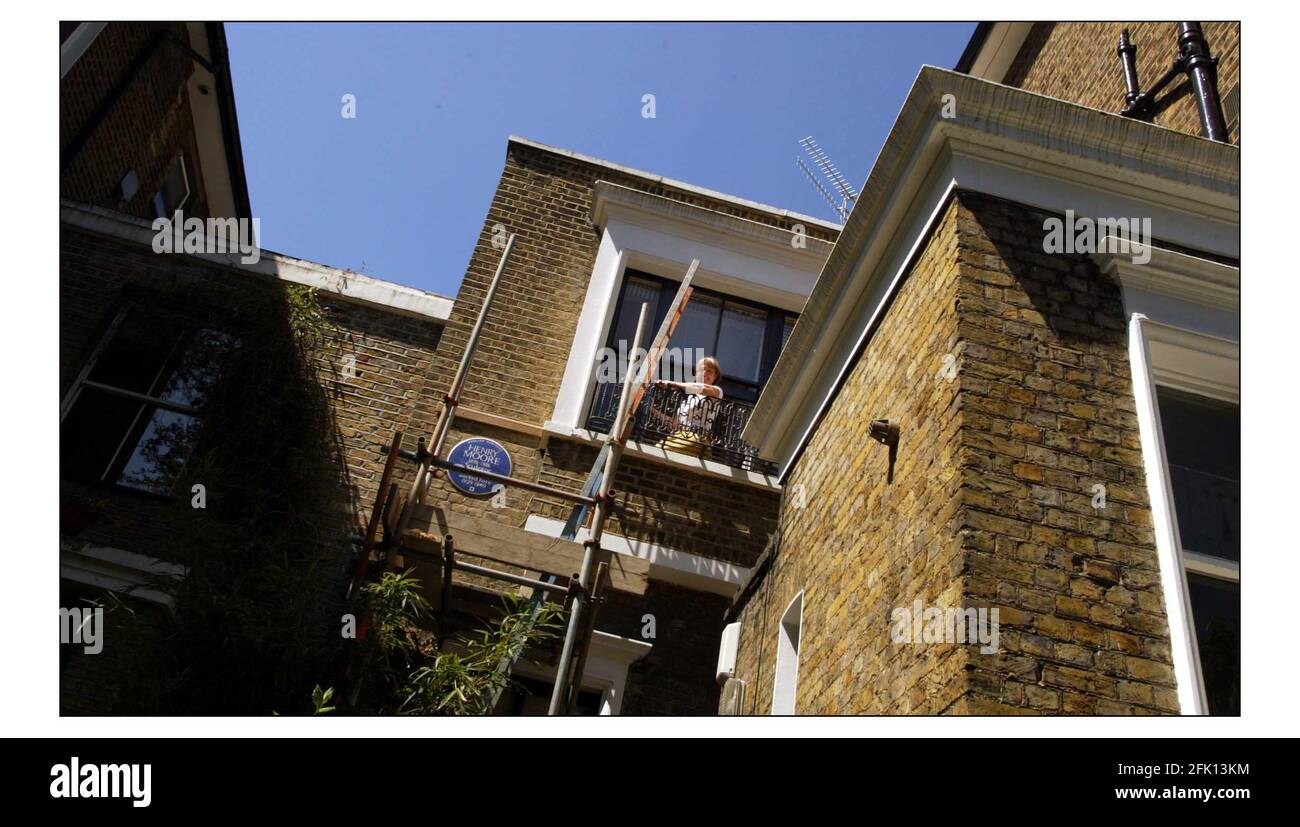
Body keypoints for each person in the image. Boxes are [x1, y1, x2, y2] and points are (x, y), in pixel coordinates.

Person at [653, 356, 724, 457]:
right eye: (701, 370)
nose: (704, 373)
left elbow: (700, 388)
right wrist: (653, 410)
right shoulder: (689, 400)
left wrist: (672, 384)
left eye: (709, 371)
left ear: (715, 376)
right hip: (680, 436)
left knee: (662, 452)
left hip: (697, 438)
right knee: (656, 450)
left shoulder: (717, 391)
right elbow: (675, 424)